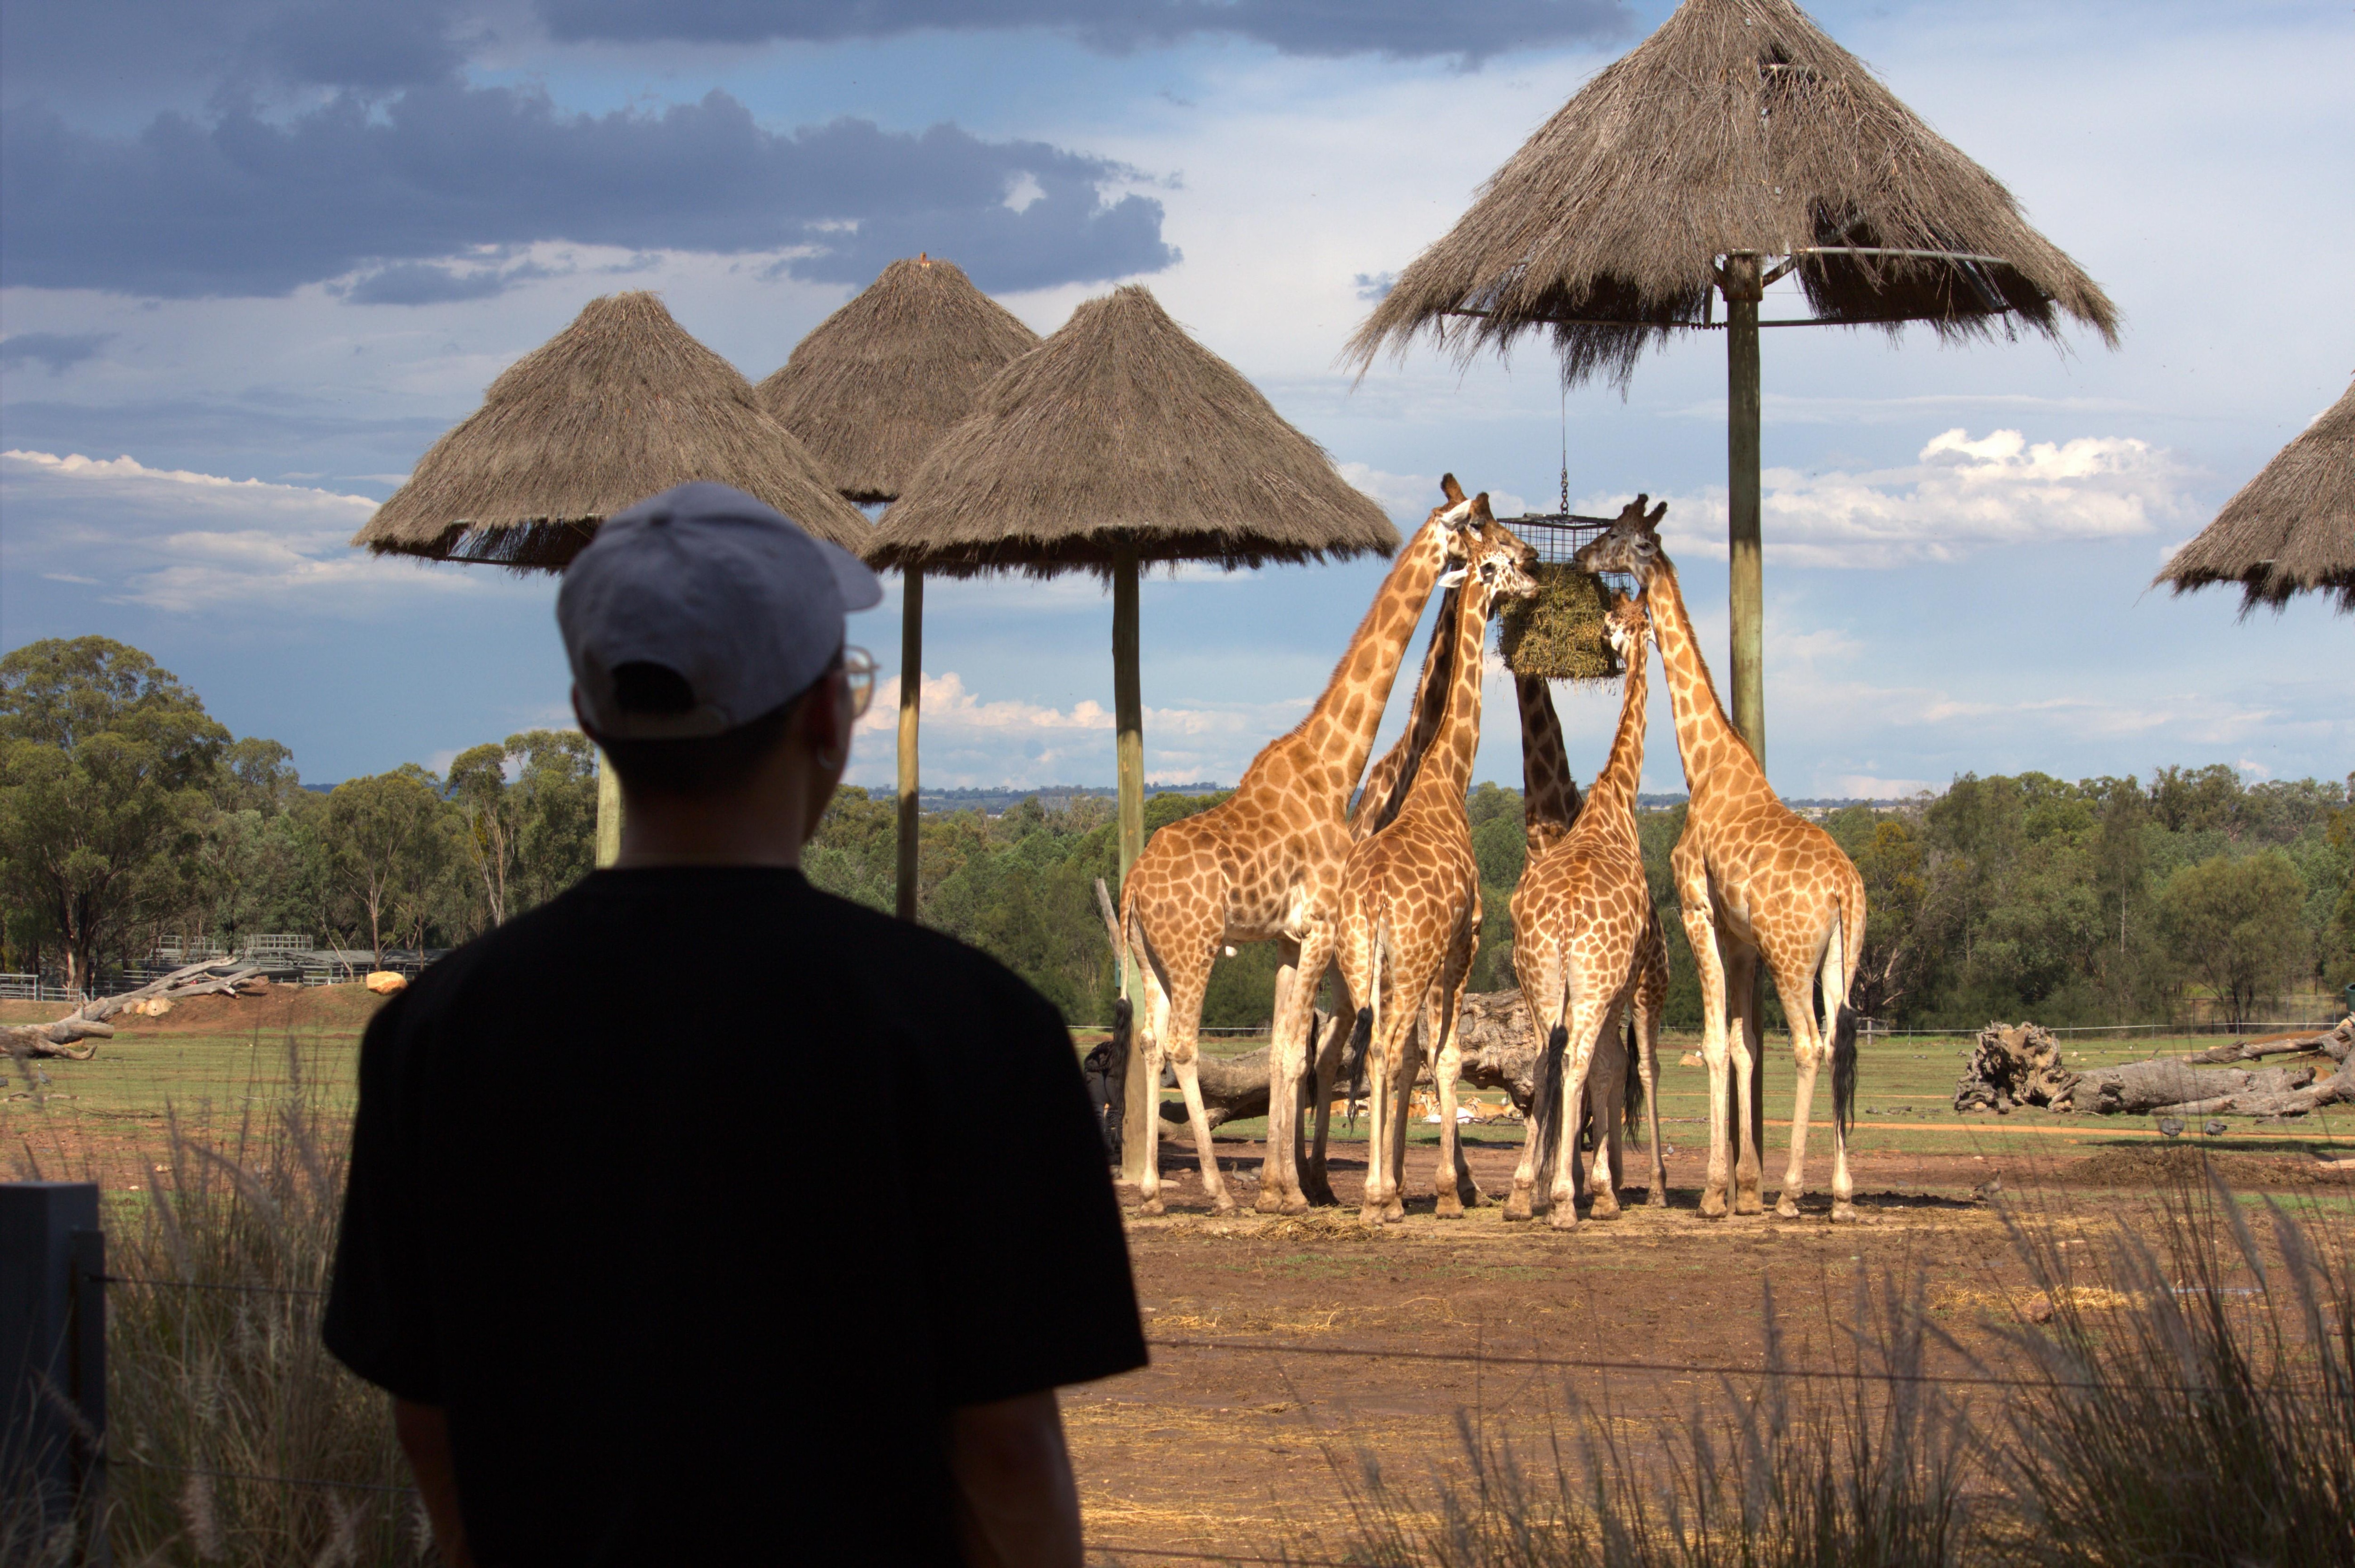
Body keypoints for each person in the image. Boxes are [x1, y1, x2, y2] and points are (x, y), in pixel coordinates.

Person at [324, 482, 1145, 1567]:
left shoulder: (437, 1031)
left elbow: (430, 1422)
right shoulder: (972, 1027)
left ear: (588, 714)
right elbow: (1007, 1454)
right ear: (825, 717)